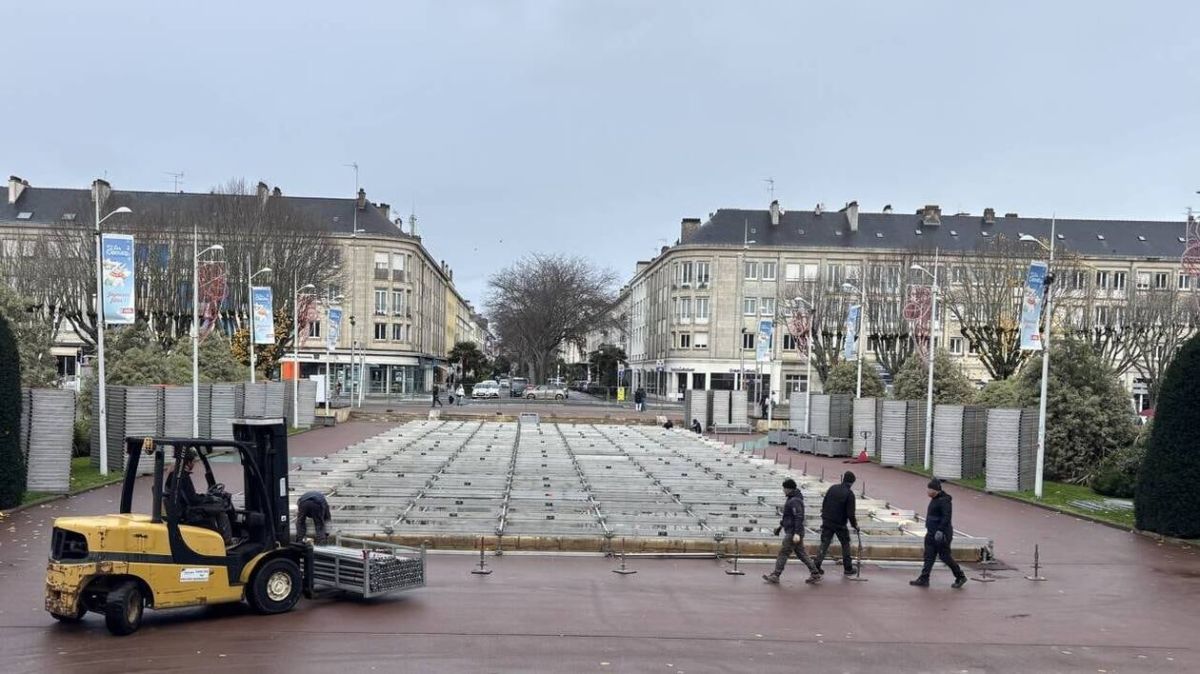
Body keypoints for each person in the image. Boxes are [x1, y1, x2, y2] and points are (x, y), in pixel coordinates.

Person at [165, 448, 232, 543]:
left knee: (214, 507)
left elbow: (189, 496)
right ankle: (227, 541)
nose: (194, 464)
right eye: (193, 462)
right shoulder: (183, 477)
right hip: (188, 512)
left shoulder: (174, 474)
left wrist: (205, 497)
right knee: (221, 510)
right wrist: (210, 498)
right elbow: (193, 500)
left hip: (183, 508)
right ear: (188, 463)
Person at [911, 478, 968, 589]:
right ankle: (924, 578)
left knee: (945, 556)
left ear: (935, 490)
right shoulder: (935, 499)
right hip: (931, 532)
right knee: (929, 556)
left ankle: (960, 576)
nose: (927, 491)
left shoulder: (944, 501)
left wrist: (940, 530)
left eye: (929, 489)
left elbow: (947, 517)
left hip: (942, 534)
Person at [763, 478, 821, 584]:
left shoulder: (794, 500)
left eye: (784, 488)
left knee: (783, 553)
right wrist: (780, 527)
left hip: (793, 532)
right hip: (793, 531)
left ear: (788, 489)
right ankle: (815, 573)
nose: (783, 490)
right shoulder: (792, 498)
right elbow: (787, 517)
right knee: (801, 553)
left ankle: (776, 575)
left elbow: (798, 517)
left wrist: (797, 533)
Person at [814, 471, 860, 576]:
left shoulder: (832, 488)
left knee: (824, 544)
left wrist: (824, 517)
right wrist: (855, 525)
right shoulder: (849, 494)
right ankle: (848, 568)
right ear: (852, 482)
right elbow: (850, 514)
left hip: (827, 521)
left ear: (843, 479)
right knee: (845, 544)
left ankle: (816, 566)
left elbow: (824, 503)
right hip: (840, 524)